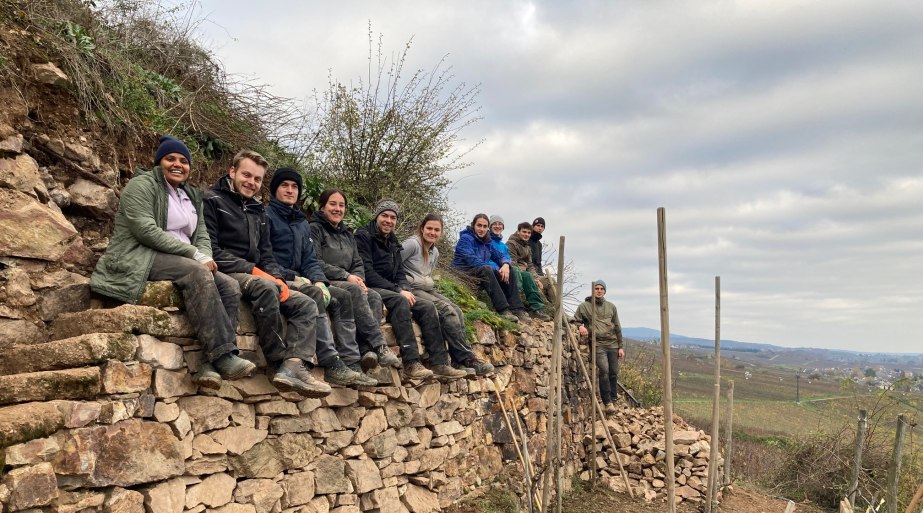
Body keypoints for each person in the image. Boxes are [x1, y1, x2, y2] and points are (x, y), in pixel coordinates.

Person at [91, 136, 254, 390]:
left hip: (183, 258)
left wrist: (204, 255)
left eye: (183, 161)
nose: (178, 165)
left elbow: (202, 234)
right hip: (142, 255)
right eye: (170, 159)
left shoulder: (190, 195)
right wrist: (194, 255)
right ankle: (223, 356)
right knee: (197, 273)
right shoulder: (141, 185)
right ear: (159, 162)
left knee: (230, 285)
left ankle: (210, 365)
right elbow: (145, 230)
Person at [203, 150, 365, 398]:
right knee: (266, 288)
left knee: (306, 303)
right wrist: (264, 274)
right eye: (247, 175)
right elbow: (212, 250)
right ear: (232, 172)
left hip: (262, 273)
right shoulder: (213, 201)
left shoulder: (258, 211)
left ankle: (294, 366)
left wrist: (279, 277)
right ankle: (276, 362)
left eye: (257, 179)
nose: (251, 182)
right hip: (229, 270)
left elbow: (268, 255)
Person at [265, 168, 376, 385]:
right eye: (284, 185)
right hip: (279, 277)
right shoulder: (266, 216)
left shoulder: (300, 223)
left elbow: (310, 259)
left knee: (342, 296)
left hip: (303, 278)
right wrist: (294, 277)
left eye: (294, 187)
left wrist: (319, 279)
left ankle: (351, 362)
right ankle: (331, 362)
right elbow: (264, 256)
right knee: (315, 294)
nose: (290, 190)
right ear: (275, 189)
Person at [355, 200, 468, 380]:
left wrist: (404, 287)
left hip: (393, 287)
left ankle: (439, 363)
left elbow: (399, 271)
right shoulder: (363, 236)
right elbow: (367, 272)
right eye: (385, 216)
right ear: (376, 216)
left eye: (393, 217)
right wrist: (398, 290)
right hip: (372, 286)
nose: (388, 220)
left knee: (428, 307)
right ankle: (411, 362)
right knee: (401, 301)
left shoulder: (393, 241)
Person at [308, 189, 403, 373]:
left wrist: (358, 278)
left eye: (341, 205)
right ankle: (379, 345)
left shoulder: (347, 234)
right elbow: (315, 261)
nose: (337, 209)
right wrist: (346, 276)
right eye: (332, 204)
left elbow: (358, 262)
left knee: (374, 296)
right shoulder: (315, 229)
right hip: (326, 279)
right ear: (322, 207)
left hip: (349, 280)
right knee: (355, 291)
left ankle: (367, 351)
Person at [401, 213, 495, 376]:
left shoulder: (435, 251)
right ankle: (467, 358)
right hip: (411, 288)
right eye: (429, 228)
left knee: (457, 310)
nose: (433, 232)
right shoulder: (412, 244)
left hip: (426, 288)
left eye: (437, 230)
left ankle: (459, 361)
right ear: (422, 228)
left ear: (441, 232)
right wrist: (400, 287)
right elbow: (393, 263)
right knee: (446, 310)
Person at [451, 214, 529, 323]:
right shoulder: (466, 239)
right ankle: (503, 309)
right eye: (479, 225)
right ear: (473, 225)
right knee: (487, 269)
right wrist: (495, 270)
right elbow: (471, 260)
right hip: (463, 271)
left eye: (484, 226)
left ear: (487, 228)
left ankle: (517, 309)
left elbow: (500, 256)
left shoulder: (487, 242)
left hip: (480, 270)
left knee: (509, 270)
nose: (482, 229)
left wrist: (505, 265)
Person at [573, 280, 625, 414]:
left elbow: (617, 326)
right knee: (604, 370)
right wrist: (580, 326)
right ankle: (607, 402)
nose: (599, 291)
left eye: (602, 289)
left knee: (613, 372)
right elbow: (575, 320)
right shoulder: (584, 306)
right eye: (597, 288)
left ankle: (613, 399)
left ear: (605, 291)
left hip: (612, 344)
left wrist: (621, 346)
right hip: (597, 344)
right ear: (593, 290)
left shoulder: (611, 307)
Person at [491, 218, 550, 321]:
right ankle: (515, 306)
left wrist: (536, 278)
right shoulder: (511, 243)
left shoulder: (527, 247)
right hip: (512, 269)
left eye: (528, 233)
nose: (526, 235)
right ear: (518, 232)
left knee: (529, 275)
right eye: (524, 232)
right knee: (517, 272)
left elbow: (530, 265)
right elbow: (512, 261)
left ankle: (536, 309)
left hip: (522, 270)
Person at [529, 216, 557, 307]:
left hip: (538, 274)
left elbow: (538, 263)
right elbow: (528, 262)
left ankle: (557, 309)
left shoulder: (539, 244)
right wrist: (536, 277)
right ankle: (555, 309)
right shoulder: (527, 239)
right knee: (550, 281)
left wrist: (541, 275)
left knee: (551, 281)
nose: (540, 228)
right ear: (533, 226)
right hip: (529, 273)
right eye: (538, 225)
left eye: (542, 226)